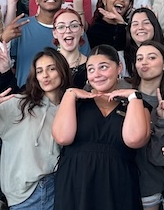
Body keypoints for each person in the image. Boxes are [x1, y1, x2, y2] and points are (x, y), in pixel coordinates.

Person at [0, 47, 72, 209]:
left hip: (60, 189)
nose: (45, 75)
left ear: (62, 71)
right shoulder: (19, 104)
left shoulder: (71, 108)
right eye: (39, 71)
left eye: (51, 69)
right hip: (25, 196)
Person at [52, 44, 151, 210]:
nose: (96, 74)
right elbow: (62, 137)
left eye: (103, 67)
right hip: (75, 185)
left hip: (118, 185)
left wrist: (134, 97)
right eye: (91, 69)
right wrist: (70, 94)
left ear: (119, 67)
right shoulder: (75, 101)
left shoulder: (136, 103)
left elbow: (135, 140)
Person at [110, 40, 164, 210]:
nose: (144, 62)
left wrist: (163, 121)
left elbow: (161, 159)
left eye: (151, 57)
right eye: (139, 58)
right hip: (113, 182)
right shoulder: (120, 90)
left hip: (148, 188)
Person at [0, 0, 90, 87]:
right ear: (36, 0)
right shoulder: (21, 26)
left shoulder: (74, 30)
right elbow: (6, 63)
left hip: (63, 96)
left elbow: (85, 66)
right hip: (25, 95)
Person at [124, 7, 164, 79]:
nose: (140, 27)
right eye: (135, 24)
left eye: (146, 23)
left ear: (154, 27)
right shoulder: (123, 58)